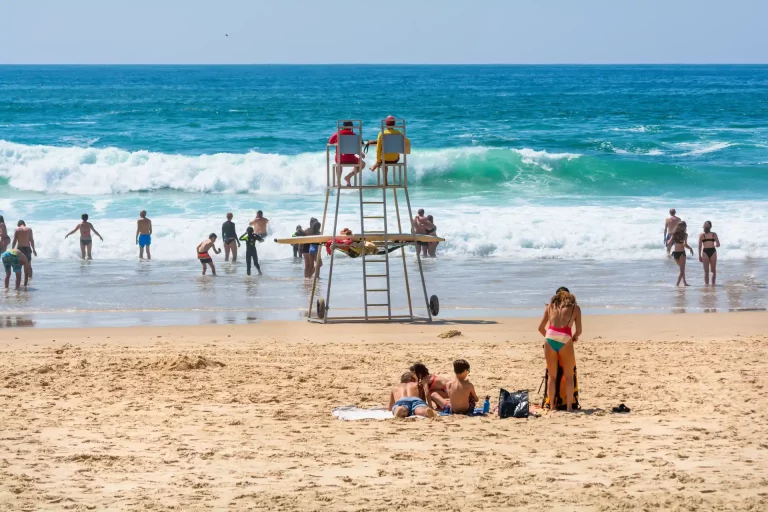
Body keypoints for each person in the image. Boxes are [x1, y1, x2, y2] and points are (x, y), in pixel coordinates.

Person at [537, 287, 582, 412]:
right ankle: (569, 407)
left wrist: (551, 338)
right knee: (569, 375)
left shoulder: (550, 306)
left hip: (550, 337)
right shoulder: (575, 308)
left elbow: (540, 328)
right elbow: (579, 330)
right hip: (565, 338)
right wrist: (573, 338)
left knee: (552, 376)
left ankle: (551, 406)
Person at [368, 116, 410, 184]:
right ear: (394, 124)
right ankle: (375, 167)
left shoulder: (381, 134)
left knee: (383, 161)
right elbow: (406, 142)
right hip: (395, 159)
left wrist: (378, 161)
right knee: (386, 159)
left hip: (384, 160)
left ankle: (384, 180)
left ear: (386, 124)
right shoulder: (399, 133)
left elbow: (378, 150)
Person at [329, 121, 365, 186]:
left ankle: (338, 182)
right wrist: (361, 153)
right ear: (351, 127)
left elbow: (330, 142)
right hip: (351, 159)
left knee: (339, 163)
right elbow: (359, 144)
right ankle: (348, 176)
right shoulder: (353, 135)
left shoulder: (338, 133)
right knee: (363, 164)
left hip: (339, 159)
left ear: (343, 127)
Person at [666, 221, 694, 286]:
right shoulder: (685, 235)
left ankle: (684, 282)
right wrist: (690, 248)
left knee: (682, 269)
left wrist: (669, 240)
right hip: (682, 253)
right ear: (683, 227)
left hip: (675, 254)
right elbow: (685, 244)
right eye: (685, 226)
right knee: (682, 269)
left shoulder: (674, 234)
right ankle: (677, 284)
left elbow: (668, 243)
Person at [699, 221, 720, 286]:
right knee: (706, 271)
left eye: (708, 225)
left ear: (710, 226)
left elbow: (718, 244)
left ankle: (713, 285)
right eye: (706, 225)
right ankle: (707, 286)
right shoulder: (702, 235)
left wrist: (716, 245)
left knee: (713, 270)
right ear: (704, 226)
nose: (707, 226)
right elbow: (699, 246)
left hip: (713, 251)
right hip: (705, 252)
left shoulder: (714, 234)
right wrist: (699, 256)